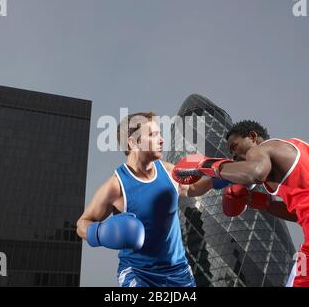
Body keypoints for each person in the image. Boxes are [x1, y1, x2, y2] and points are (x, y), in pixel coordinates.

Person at [172, 120, 309, 287]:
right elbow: (300, 213)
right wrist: (259, 201)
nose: (234, 156)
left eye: (234, 147)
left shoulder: (261, 150)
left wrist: (206, 165)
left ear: (252, 137)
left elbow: (255, 173)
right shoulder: (306, 149)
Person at [76, 112, 229, 287]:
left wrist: (218, 178)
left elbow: (191, 189)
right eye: (153, 135)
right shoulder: (116, 186)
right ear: (132, 142)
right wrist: (100, 233)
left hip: (179, 272)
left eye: (159, 134)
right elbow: (82, 223)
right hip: (139, 275)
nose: (162, 140)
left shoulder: (168, 170)